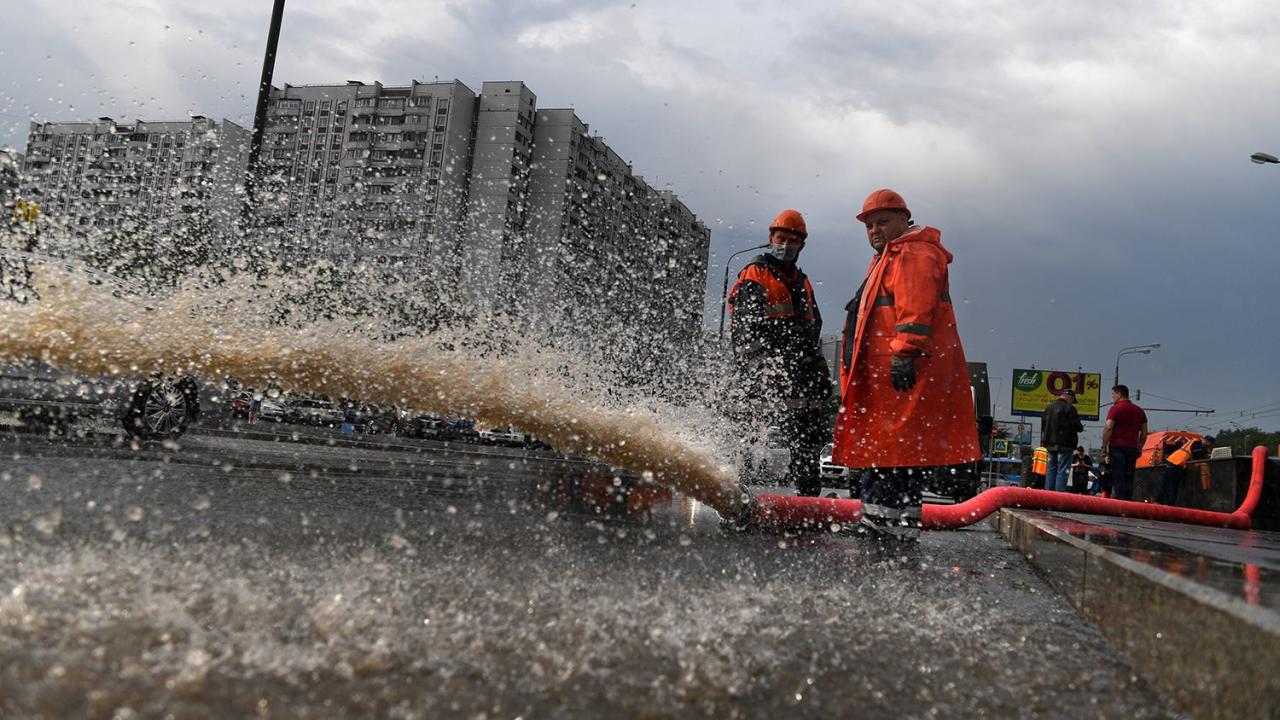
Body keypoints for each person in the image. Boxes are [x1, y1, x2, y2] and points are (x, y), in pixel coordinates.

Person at [832, 189, 980, 541]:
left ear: (904, 218)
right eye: (869, 225)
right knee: (892, 456)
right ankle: (892, 527)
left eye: (882, 222)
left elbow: (915, 310)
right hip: (889, 376)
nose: (874, 230)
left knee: (891, 457)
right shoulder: (893, 256)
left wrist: (904, 354)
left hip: (899, 376)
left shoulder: (912, 252)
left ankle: (885, 529)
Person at [726, 208, 832, 497]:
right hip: (764, 374)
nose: (785, 245)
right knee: (750, 438)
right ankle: (737, 498)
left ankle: (808, 500)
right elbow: (746, 333)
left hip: (799, 374)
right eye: (781, 238)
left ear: (802, 245)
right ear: (771, 238)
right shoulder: (755, 275)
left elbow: (813, 331)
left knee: (807, 438)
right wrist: (763, 369)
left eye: (792, 240)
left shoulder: (802, 281)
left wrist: (820, 370)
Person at [1101, 384, 1147, 500]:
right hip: (1132, 448)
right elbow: (1144, 433)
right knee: (1129, 477)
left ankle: (1120, 503)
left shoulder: (1115, 409)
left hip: (1117, 447)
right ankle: (1127, 502)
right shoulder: (1140, 411)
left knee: (1118, 475)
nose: (1113, 398)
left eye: (1113, 395)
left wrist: (1104, 447)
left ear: (1119, 394)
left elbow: (1108, 427)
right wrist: (1140, 447)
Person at [1041, 389, 1084, 492]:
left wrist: (1045, 441)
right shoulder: (1070, 408)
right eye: (1072, 400)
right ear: (1070, 398)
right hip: (1066, 444)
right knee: (1063, 469)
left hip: (1050, 444)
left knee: (1051, 469)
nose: (1072, 403)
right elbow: (1078, 427)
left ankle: (1048, 494)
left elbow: (1044, 426)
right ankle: (1058, 495)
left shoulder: (1048, 408)